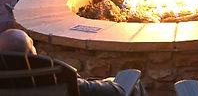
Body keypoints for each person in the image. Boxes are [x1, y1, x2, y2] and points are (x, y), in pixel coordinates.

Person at [0, 28, 147, 96]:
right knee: (133, 82)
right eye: (32, 45)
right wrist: (111, 82)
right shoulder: (57, 77)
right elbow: (117, 92)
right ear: (32, 54)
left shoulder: (5, 83)